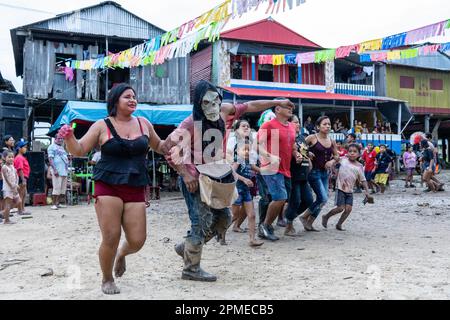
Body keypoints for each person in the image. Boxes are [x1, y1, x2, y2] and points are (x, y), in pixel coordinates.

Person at [164, 80, 295, 281]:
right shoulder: (189, 124)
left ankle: (188, 246)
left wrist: (276, 101)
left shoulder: (225, 111)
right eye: (207, 102)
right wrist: (185, 173)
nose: (213, 106)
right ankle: (191, 269)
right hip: (195, 178)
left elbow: (251, 106)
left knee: (223, 218)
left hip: (217, 176)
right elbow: (167, 148)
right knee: (200, 221)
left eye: (216, 100)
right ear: (198, 103)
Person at [59, 83, 167, 295]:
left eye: (134, 96)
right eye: (127, 96)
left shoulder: (144, 123)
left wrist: (177, 139)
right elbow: (80, 150)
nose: (132, 99)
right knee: (111, 236)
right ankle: (107, 279)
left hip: (135, 185)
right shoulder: (102, 125)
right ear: (115, 101)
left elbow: (160, 146)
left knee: (137, 240)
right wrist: (70, 138)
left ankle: (121, 254)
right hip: (107, 185)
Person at [257, 100, 299, 241]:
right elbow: (257, 146)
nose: (290, 109)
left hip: (286, 168)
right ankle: (265, 226)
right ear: (277, 109)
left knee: (282, 199)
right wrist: (270, 156)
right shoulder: (268, 125)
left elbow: (292, 146)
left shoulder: (292, 127)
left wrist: (296, 154)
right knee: (279, 197)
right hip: (271, 167)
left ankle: (265, 226)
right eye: (287, 107)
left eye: (292, 107)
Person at [299, 116, 339, 231]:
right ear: (318, 126)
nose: (327, 126)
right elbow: (300, 147)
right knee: (323, 197)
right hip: (313, 172)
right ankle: (304, 216)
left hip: (324, 173)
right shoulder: (312, 138)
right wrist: (308, 156)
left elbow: (336, 156)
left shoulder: (332, 141)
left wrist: (332, 161)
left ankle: (309, 222)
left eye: (329, 124)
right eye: (324, 124)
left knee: (323, 199)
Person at [321, 144, 373, 231]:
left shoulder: (359, 166)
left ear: (359, 154)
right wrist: (331, 163)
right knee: (340, 208)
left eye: (355, 151)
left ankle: (339, 224)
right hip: (340, 188)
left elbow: (363, 180)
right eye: (350, 151)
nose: (352, 153)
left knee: (348, 209)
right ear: (347, 153)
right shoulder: (343, 160)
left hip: (349, 190)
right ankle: (326, 216)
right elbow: (334, 160)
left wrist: (367, 191)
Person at [230, 141, 264, 247]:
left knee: (252, 215)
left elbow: (256, 168)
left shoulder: (249, 161)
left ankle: (252, 239)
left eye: (248, 150)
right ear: (237, 151)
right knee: (234, 215)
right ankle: (219, 231)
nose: (247, 152)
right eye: (244, 149)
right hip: (237, 190)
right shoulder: (237, 161)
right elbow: (232, 172)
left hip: (246, 191)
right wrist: (244, 179)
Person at [226, 119, 257, 233]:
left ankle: (251, 238)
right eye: (243, 126)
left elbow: (252, 162)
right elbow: (230, 162)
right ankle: (222, 232)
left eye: (248, 126)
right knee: (234, 213)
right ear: (236, 129)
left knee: (251, 213)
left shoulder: (250, 142)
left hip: (248, 180)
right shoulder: (232, 141)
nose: (246, 128)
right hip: (237, 182)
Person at [284, 116, 313, 236]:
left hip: (303, 174)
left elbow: (305, 155)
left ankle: (288, 217)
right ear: (289, 123)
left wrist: (308, 162)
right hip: (292, 174)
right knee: (295, 201)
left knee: (308, 200)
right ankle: (288, 225)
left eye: (299, 122)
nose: (298, 124)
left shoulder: (301, 138)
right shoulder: (287, 137)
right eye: (295, 122)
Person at [47, 134, 69, 210]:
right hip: (57, 170)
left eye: (62, 138)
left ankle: (58, 203)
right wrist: (55, 169)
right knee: (56, 187)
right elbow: (50, 158)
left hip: (64, 171)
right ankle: (53, 204)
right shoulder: (51, 147)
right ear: (55, 139)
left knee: (62, 188)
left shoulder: (62, 148)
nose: (60, 140)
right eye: (59, 138)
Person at [1, 151, 20, 225]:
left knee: (18, 201)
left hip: (14, 186)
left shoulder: (12, 166)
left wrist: (16, 184)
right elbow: (6, 179)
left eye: (12, 157)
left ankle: (3, 212)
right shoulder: (4, 167)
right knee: (8, 204)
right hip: (8, 188)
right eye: (9, 157)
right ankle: (6, 220)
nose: (11, 158)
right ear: (4, 158)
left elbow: (15, 176)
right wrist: (12, 186)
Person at [14, 140, 31, 216]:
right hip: (21, 178)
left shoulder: (21, 157)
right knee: (21, 194)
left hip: (24, 177)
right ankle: (20, 210)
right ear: (19, 148)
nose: (25, 148)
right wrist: (23, 179)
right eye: (24, 147)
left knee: (23, 194)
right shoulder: (19, 158)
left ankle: (22, 209)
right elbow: (20, 169)